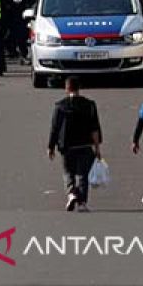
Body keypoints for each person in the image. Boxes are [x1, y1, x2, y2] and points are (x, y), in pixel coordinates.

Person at [47, 76, 103, 212]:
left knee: (68, 172)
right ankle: (82, 202)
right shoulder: (89, 105)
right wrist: (97, 147)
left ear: (66, 89)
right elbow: (94, 127)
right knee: (83, 175)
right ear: (79, 88)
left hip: (67, 145)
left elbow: (54, 127)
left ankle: (71, 193)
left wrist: (51, 146)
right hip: (85, 144)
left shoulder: (60, 106)